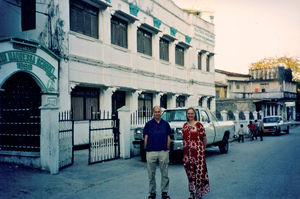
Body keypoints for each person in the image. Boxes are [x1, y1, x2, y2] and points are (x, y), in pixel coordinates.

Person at [143, 106, 171, 199]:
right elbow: (146, 137)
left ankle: (164, 192)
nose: (157, 113)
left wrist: (167, 148)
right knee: (151, 174)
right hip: (151, 152)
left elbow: (168, 137)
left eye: (159, 112)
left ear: (161, 113)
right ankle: (152, 193)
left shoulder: (166, 124)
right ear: (153, 113)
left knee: (165, 173)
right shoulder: (148, 124)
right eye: (155, 112)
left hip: (163, 151)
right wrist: (146, 148)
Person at [182, 107, 210, 199]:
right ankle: (192, 193)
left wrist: (202, 150)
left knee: (198, 173)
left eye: (192, 113)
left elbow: (204, 138)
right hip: (187, 155)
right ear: (186, 115)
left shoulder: (199, 125)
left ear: (195, 115)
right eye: (188, 113)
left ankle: (199, 194)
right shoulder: (184, 125)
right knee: (190, 174)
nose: (190, 115)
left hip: (198, 154)